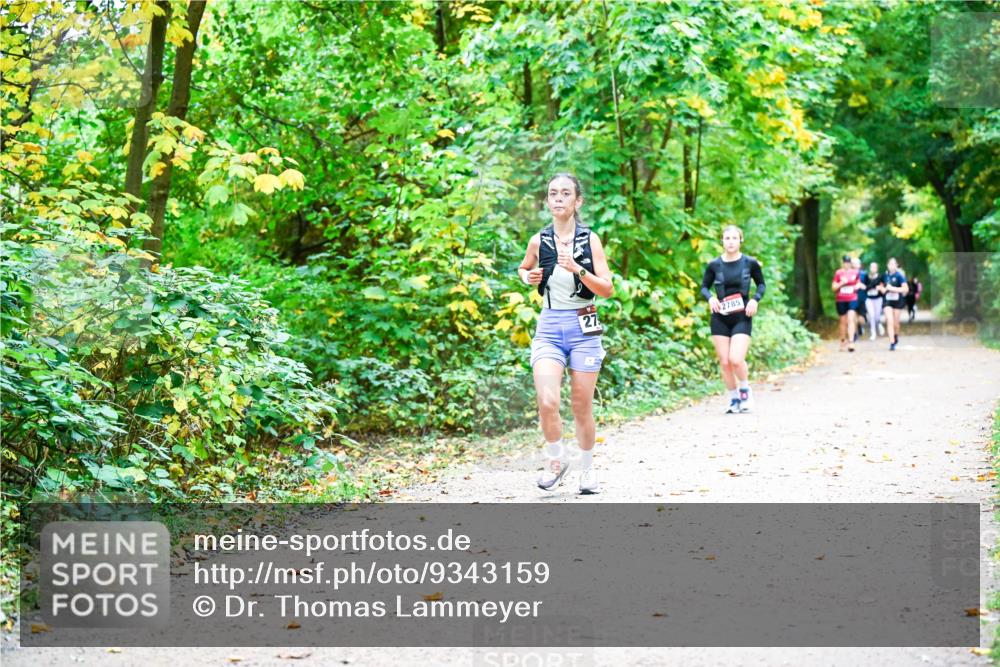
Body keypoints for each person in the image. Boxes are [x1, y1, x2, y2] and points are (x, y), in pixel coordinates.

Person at [518, 173, 614, 494]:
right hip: (549, 326)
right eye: (552, 194)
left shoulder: (590, 240)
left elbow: (608, 288)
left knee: (580, 404)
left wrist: (578, 268)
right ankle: (557, 462)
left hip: (584, 325)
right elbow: (524, 267)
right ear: (547, 201)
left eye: (565, 193)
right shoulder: (538, 240)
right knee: (547, 400)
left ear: (577, 202)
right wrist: (526, 277)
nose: (558, 198)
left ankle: (588, 471)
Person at [700, 225, 765, 414]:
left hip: (742, 316)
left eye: (734, 238)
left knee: (736, 359)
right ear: (722, 241)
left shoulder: (749, 263)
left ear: (740, 241)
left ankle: (745, 390)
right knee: (724, 362)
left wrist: (755, 300)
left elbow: (761, 284)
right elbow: (704, 286)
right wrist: (711, 298)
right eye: (727, 238)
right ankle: (733, 399)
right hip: (720, 316)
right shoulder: (714, 265)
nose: (730, 242)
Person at [831, 255, 861, 351]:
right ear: (843, 263)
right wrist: (841, 283)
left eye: (848, 263)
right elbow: (833, 287)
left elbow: (858, 283)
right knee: (843, 322)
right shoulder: (838, 273)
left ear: (850, 264)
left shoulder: (855, 272)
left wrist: (857, 286)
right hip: (841, 299)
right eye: (845, 262)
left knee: (851, 319)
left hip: (852, 298)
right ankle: (843, 340)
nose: (846, 264)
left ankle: (851, 342)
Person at [883, 257, 909, 351]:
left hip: (898, 301)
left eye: (893, 264)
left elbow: (906, 289)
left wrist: (893, 289)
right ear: (887, 265)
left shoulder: (899, 276)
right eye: (890, 264)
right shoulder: (885, 276)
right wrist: (882, 289)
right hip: (887, 301)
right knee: (889, 321)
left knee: (896, 323)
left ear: (896, 265)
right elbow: (880, 286)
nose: (891, 266)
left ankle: (896, 335)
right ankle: (892, 342)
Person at [862, 261, 885, 341]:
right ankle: (873, 333)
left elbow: (883, 286)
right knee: (871, 316)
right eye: (871, 267)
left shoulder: (880, 277)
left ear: (877, 268)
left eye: (874, 267)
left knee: (877, 316)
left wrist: (880, 288)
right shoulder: (866, 276)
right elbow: (864, 287)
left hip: (878, 299)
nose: (873, 269)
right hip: (869, 299)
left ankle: (879, 323)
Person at [852, 257, 867, 340]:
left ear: (860, 265)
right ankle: (854, 335)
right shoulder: (849, 274)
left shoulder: (864, 274)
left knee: (861, 319)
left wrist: (863, 286)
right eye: (853, 263)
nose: (855, 265)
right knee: (852, 316)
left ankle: (859, 326)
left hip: (862, 298)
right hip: (852, 298)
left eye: (856, 263)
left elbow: (869, 285)